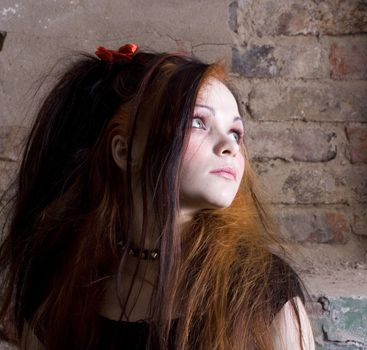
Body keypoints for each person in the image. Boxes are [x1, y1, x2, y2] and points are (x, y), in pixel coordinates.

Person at [0, 44, 315, 349]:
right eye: (197, 122)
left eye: (235, 132)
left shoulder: (263, 290)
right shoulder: (61, 289)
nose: (230, 146)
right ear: (124, 151)